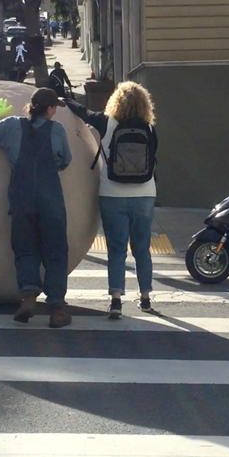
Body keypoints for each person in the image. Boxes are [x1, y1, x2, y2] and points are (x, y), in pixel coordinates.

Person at [0, 88, 73, 328]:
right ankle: (57, 308)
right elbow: (65, 160)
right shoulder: (57, 130)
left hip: (21, 197)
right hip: (50, 197)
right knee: (56, 251)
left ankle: (28, 297)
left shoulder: (11, 125)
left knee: (25, 248)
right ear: (50, 109)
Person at [65, 82, 158, 319]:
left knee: (116, 250)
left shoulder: (106, 123)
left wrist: (63, 99)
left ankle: (116, 300)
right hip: (144, 194)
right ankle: (145, 297)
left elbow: (81, 111)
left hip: (112, 194)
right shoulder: (149, 128)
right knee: (142, 249)